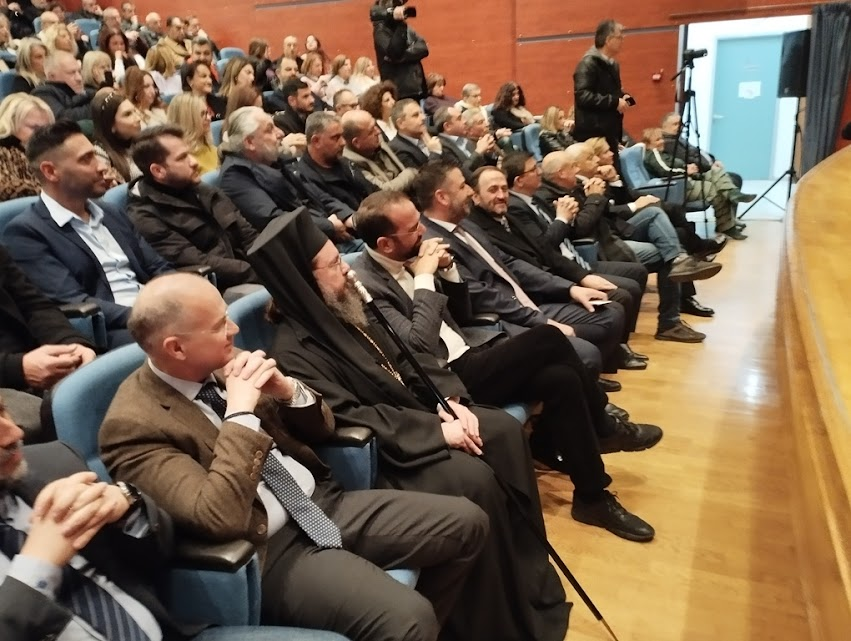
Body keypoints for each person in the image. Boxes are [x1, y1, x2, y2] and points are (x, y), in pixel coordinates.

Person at [98, 273, 488, 641]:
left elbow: (323, 429)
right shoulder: (132, 426)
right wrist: (240, 415)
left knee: (468, 523)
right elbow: (218, 515)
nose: (234, 329)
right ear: (176, 348)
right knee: (409, 618)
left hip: (320, 503)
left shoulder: (220, 362)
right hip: (269, 547)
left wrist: (288, 392)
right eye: (219, 326)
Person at [254, 207, 572, 641]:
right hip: (385, 453)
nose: (346, 268)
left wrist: (450, 400)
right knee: (475, 479)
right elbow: (349, 417)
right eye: (332, 264)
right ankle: (494, 623)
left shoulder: (345, 308)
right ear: (303, 283)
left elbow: (408, 357)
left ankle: (526, 577)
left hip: (417, 415)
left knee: (501, 430)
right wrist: (437, 431)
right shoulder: (294, 351)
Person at [352, 190, 661, 527]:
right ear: (385, 244)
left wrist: (448, 270)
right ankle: (602, 424)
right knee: (549, 337)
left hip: (471, 352)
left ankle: (592, 497)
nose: (423, 231)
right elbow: (419, 347)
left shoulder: (410, 257)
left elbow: (463, 316)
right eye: (413, 228)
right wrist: (425, 277)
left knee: (562, 379)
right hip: (444, 381)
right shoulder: (367, 285)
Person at [0, 393, 357, 641]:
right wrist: (37, 565)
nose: (15, 433)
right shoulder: (138, 418)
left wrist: (128, 507)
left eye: (3, 412)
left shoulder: (50, 463)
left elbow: (158, 553)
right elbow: (217, 514)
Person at [4, 121, 172, 348]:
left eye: (96, 155)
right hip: (116, 330)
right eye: (86, 159)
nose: (102, 166)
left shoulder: (110, 212)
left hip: (157, 311)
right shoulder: (26, 233)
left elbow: (157, 266)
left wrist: (183, 296)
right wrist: (152, 318)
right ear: (50, 171)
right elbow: (75, 301)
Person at [543, 145, 717, 343]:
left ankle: (680, 270)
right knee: (669, 254)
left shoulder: (578, 185)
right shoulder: (555, 196)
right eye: (576, 164)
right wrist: (595, 197)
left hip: (613, 233)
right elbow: (582, 227)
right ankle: (670, 322)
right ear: (561, 172)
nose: (598, 160)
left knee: (658, 218)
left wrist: (613, 182)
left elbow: (611, 208)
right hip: (600, 248)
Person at [499, 151, 648, 369]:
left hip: (576, 258)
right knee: (622, 295)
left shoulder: (535, 198)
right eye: (533, 170)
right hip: (560, 270)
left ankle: (618, 347)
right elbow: (544, 247)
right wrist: (562, 218)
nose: (539, 172)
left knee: (637, 274)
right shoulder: (515, 207)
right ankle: (611, 356)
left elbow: (576, 229)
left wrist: (575, 211)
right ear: (520, 180)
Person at [127, 124, 262, 296]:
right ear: (158, 170)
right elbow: (201, 263)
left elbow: (248, 235)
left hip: (249, 271)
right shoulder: (145, 216)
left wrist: (275, 262)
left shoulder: (200, 188)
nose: (194, 162)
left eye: (190, 154)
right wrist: (262, 274)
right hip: (216, 289)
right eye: (182, 158)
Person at [220, 106, 357, 253]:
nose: (280, 133)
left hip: (324, 236)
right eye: (269, 130)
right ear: (249, 142)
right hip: (304, 252)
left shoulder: (274, 160)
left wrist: (348, 216)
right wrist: (328, 226)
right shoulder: (235, 175)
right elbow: (275, 220)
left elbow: (315, 194)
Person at [0, 248, 96, 439]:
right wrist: (17, 369)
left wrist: (70, 344)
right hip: (7, 377)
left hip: (35, 357)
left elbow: (34, 305)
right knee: (51, 416)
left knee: (109, 384)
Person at [647, 121, 752, 240]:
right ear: (649, 143)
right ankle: (727, 226)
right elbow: (665, 171)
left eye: (661, 139)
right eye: (657, 140)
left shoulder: (664, 153)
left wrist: (691, 169)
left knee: (717, 173)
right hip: (679, 186)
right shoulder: (654, 154)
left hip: (688, 178)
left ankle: (733, 193)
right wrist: (686, 170)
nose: (662, 141)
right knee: (715, 190)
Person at [573, 19, 631, 167]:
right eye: (620, 37)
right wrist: (614, 101)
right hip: (594, 135)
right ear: (608, 40)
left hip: (610, 130)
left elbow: (612, 92)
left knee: (615, 174)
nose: (623, 40)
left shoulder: (613, 64)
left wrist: (624, 97)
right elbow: (583, 96)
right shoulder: (588, 64)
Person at [298, 111, 375, 218]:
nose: (343, 142)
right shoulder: (305, 178)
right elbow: (330, 207)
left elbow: (371, 190)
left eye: (342, 136)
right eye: (335, 137)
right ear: (316, 141)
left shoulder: (345, 163)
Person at [341, 108, 417, 192]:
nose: (378, 132)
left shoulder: (377, 142)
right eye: (371, 131)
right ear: (356, 142)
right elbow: (382, 191)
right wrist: (410, 173)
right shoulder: (351, 166)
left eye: (375, 126)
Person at [0, 93, 53, 202]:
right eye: (35, 128)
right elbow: (5, 187)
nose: (43, 135)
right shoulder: (4, 152)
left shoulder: (52, 155)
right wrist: (55, 194)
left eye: (47, 129)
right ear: (11, 124)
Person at [371, 0, 428, 100]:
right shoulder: (381, 31)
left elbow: (424, 48)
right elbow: (395, 53)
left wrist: (403, 55)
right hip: (399, 91)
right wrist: (401, 26)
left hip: (417, 88)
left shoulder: (406, 28)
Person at [91, 88, 143, 186]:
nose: (138, 118)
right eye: (128, 114)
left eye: (135, 111)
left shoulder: (141, 141)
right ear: (111, 125)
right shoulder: (100, 154)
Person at [433, 105, 494, 180]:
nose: (465, 121)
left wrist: (489, 152)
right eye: (459, 119)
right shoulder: (442, 147)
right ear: (447, 126)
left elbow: (483, 164)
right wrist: (478, 151)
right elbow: (462, 173)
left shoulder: (464, 138)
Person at [32, 50, 94, 121]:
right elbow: (62, 118)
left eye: (79, 72)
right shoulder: (42, 93)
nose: (79, 78)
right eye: (71, 73)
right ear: (52, 76)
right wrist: (97, 107)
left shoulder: (88, 91)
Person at [167, 92, 218, 174]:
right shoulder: (184, 161)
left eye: (207, 113)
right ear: (188, 120)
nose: (209, 118)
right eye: (202, 114)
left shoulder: (212, 149)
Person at [389, 98, 442, 169]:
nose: (423, 117)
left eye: (421, 113)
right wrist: (435, 153)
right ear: (401, 123)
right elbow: (423, 175)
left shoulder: (431, 132)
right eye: (415, 115)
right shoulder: (397, 149)